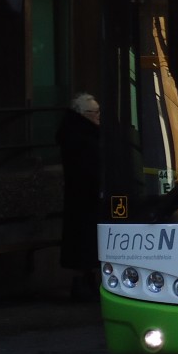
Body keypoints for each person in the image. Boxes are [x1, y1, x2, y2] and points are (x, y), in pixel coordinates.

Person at [57, 92, 101, 301]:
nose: (99, 116)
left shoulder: (73, 131)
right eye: (95, 112)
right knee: (85, 241)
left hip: (80, 194)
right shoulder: (84, 134)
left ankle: (84, 281)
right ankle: (83, 284)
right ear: (85, 114)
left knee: (83, 241)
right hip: (86, 194)